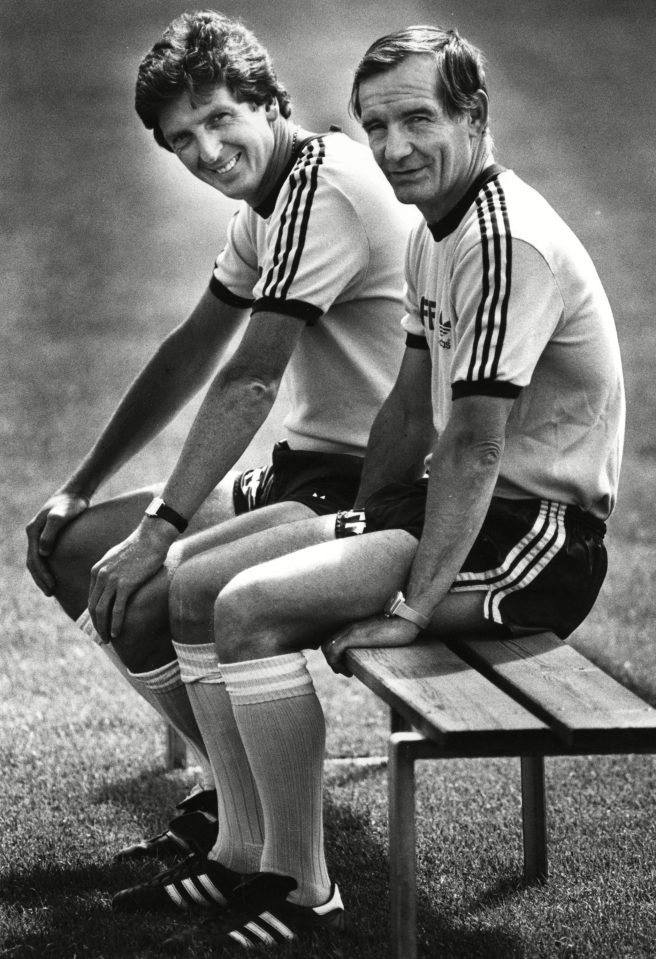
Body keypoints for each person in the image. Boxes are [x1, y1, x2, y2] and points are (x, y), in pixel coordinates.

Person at [111, 23, 624, 951]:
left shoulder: (507, 243)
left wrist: (415, 607)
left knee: (253, 606)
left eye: (417, 120)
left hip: (532, 539)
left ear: (475, 116)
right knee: (190, 579)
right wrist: (366, 517)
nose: (393, 148)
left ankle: (304, 889)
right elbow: (407, 413)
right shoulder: (438, 227)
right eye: (375, 123)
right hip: (448, 508)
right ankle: (238, 851)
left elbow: (473, 445)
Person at [24, 9, 414, 862]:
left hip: (368, 490)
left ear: (268, 101)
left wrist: (157, 530)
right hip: (303, 470)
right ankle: (233, 791)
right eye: (180, 140)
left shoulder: (327, 185)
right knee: (73, 549)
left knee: (150, 583)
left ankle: (256, 828)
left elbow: (250, 377)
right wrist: (82, 486)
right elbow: (194, 349)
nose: (204, 152)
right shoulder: (268, 202)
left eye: (217, 119)